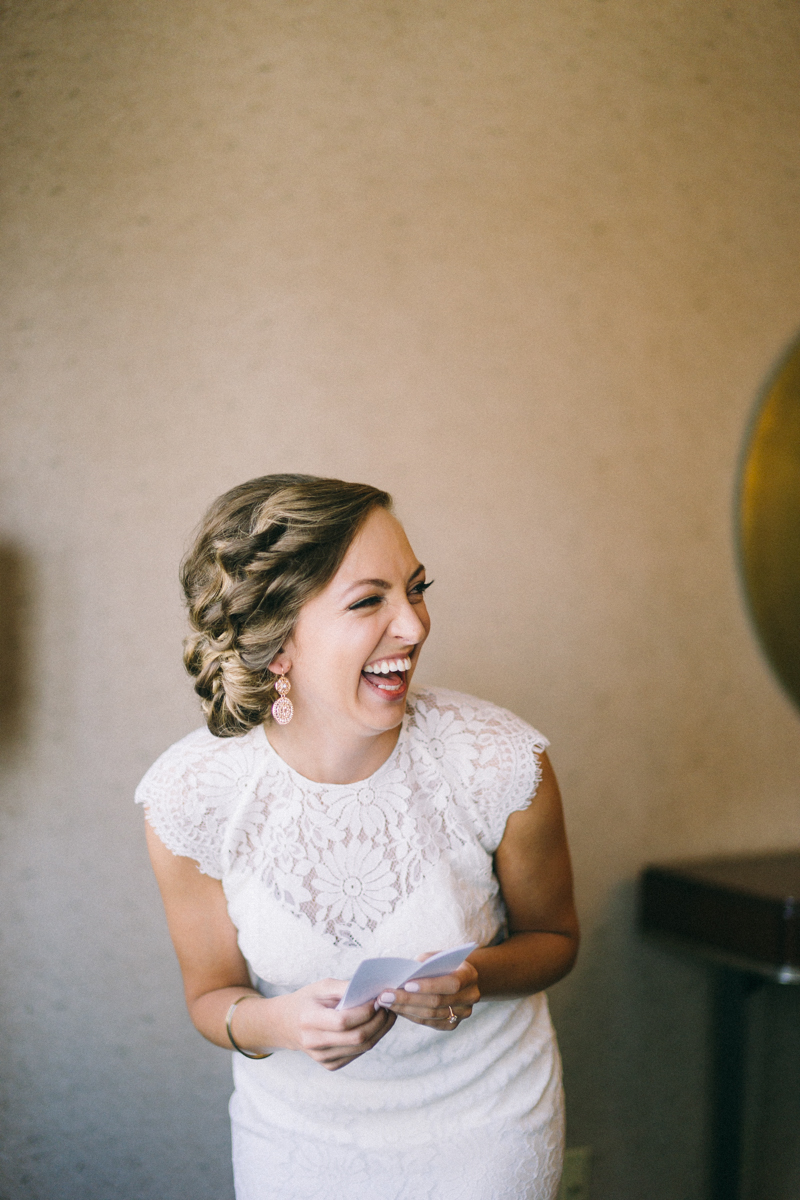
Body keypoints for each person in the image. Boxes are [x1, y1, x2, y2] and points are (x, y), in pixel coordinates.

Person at [136, 474, 579, 1200]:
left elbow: (556, 941)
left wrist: (477, 977)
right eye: (370, 600)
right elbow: (212, 997)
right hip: (296, 1144)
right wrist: (276, 1023)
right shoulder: (192, 800)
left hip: (489, 1129)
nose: (413, 627)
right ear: (277, 643)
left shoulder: (500, 762)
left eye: (416, 588)